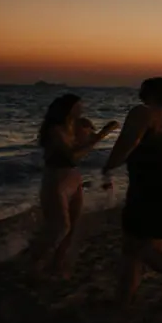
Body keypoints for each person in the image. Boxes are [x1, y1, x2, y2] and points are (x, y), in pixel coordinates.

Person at [102, 78, 162, 309]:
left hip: (145, 188)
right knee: (134, 248)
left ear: (149, 93)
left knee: (142, 249)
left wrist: (108, 166)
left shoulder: (142, 113)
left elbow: (128, 142)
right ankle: (124, 299)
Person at [29, 95, 118, 278]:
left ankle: (57, 263)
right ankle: (34, 261)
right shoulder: (54, 131)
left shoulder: (76, 126)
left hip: (74, 177)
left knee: (73, 226)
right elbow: (71, 156)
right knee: (61, 226)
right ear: (67, 109)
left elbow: (85, 146)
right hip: (56, 179)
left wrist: (92, 134)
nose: (81, 110)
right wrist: (102, 134)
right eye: (78, 107)